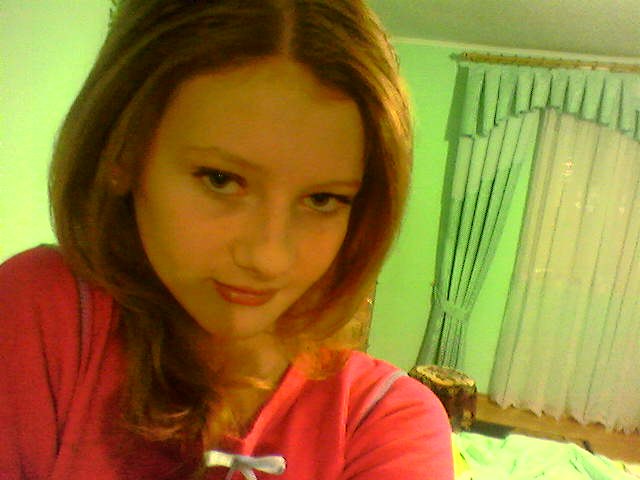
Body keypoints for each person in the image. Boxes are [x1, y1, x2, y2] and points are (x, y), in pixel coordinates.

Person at [0, 1, 454, 478]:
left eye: (322, 199)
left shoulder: (386, 423)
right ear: (123, 152)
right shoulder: (45, 317)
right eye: (220, 179)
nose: (268, 257)